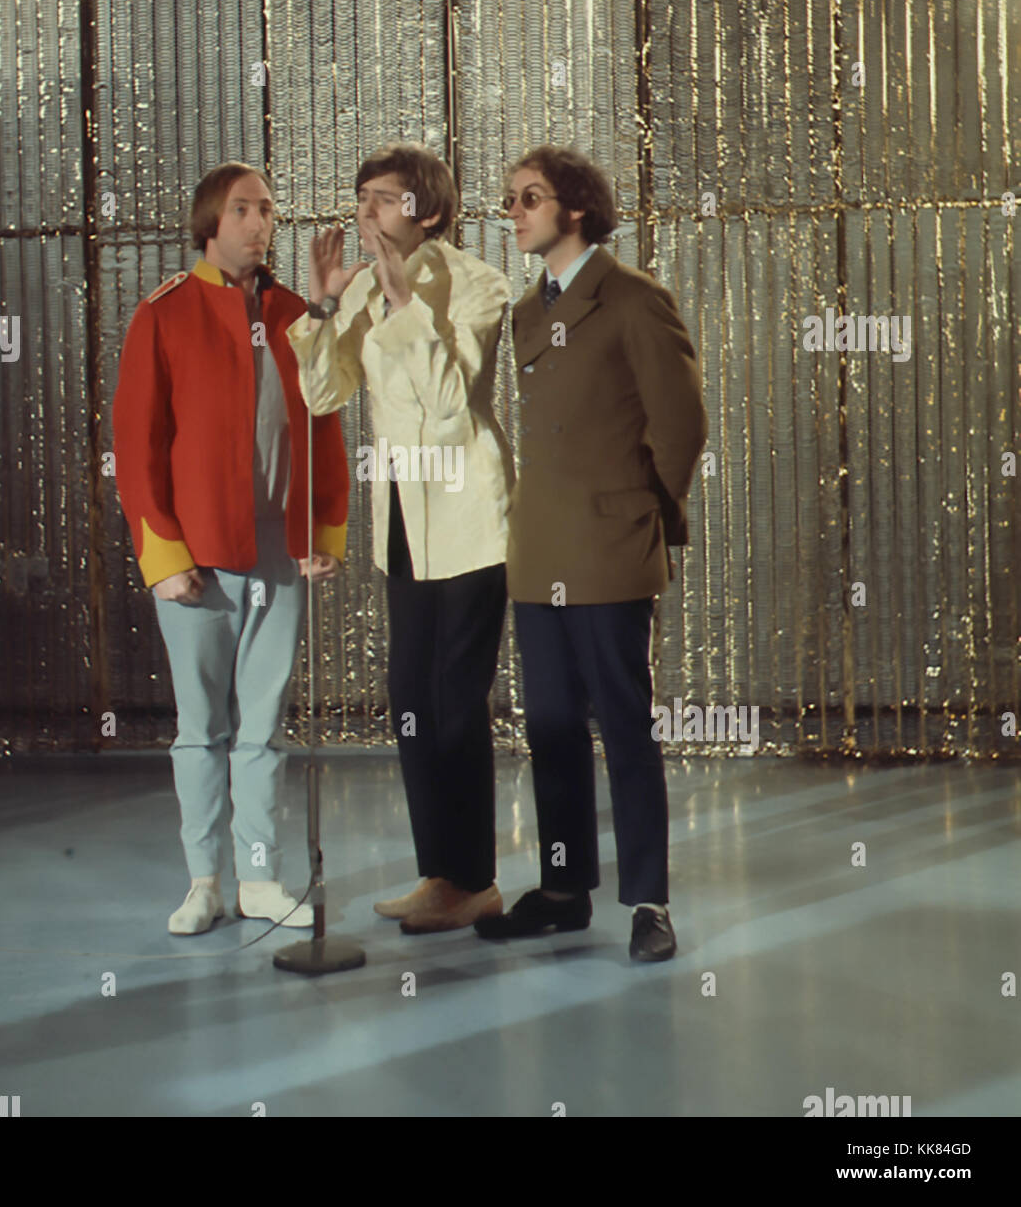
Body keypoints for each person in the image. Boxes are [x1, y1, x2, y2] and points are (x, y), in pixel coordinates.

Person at [474, 145, 708, 961]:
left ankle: (649, 902)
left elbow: (680, 427)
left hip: (609, 546)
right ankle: (566, 887)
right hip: (540, 547)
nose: (514, 212)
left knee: (625, 724)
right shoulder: (527, 310)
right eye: (509, 200)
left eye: (528, 198)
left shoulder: (636, 299)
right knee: (549, 726)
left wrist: (643, 511)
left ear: (575, 208)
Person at [112, 163, 350, 935]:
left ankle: (258, 878)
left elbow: (323, 424)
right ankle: (203, 881)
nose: (261, 223)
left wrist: (320, 533)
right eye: (244, 209)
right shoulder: (164, 314)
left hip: (277, 554)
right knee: (200, 727)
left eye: (269, 209)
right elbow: (136, 443)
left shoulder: (293, 313)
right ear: (209, 222)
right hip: (195, 557)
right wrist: (163, 555)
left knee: (262, 727)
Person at [285, 143, 515, 934]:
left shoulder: (478, 285)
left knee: (456, 704)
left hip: (468, 517)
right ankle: (438, 873)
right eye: (362, 198)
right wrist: (322, 307)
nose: (367, 212)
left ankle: (476, 879)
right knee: (411, 700)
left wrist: (399, 298)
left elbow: (449, 405)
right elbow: (323, 393)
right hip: (403, 523)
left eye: (384, 198)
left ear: (430, 211)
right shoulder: (357, 294)